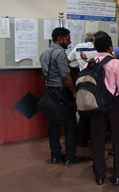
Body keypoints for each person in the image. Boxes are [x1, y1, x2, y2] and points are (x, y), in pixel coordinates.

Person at [87, 31, 119, 186]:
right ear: (110, 46)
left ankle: (99, 176)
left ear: (94, 46)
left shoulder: (91, 62)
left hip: (96, 105)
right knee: (118, 139)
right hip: (114, 105)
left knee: (98, 139)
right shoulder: (116, 63)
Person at [39, 27, 87, 165]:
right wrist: (73, 91)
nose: (70, 41)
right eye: (67, 38)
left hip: (50, 91)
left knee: (53, 123)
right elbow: (65, 76)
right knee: (70, 124)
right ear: (60, 39)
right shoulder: (60, 53)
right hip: (62, 92)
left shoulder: (45, 53)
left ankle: (55, 155)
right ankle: (70, 156)